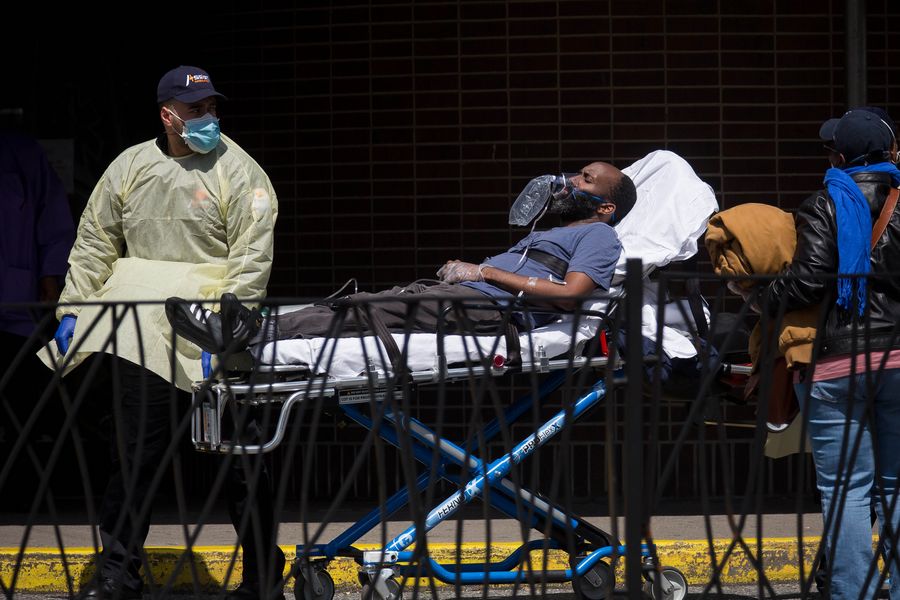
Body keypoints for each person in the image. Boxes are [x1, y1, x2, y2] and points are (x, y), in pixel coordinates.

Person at [51, 66, 281, 600]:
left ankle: (263, 579)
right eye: (196, 110)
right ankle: (119, 574)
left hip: (215, 335)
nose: (208, 118)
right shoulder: (130, 167)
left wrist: (230, 325)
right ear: (167, 115)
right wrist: (74, 308)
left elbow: (252, 255)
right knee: (136, 458)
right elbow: (95, 241)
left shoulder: (239, 170)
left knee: (242, 463)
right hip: (146, 335)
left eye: (212, 108)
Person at [169, 162, 636, 353]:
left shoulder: (600, 235)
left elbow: (571, 296)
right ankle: (248, 326)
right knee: (360, 303)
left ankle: (246, 334)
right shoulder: (552, 232)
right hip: (468, 298)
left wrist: (483, 271)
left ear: (605, 207)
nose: (571, 181)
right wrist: (468, 273)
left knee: (365, 309)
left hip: (494, 313)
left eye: (586, 179)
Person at [766, 107, 900, 600]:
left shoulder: (824, 203)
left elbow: (807, 281)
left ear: (840, 158)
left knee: (846, 490)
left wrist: (761, 297)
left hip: (837, 362)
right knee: (896, 488)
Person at [0, 130, 75, 509]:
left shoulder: (20, 152)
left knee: (22, 408)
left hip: (18, 306)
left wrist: (51, 277)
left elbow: (54, 220)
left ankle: (22, 494)